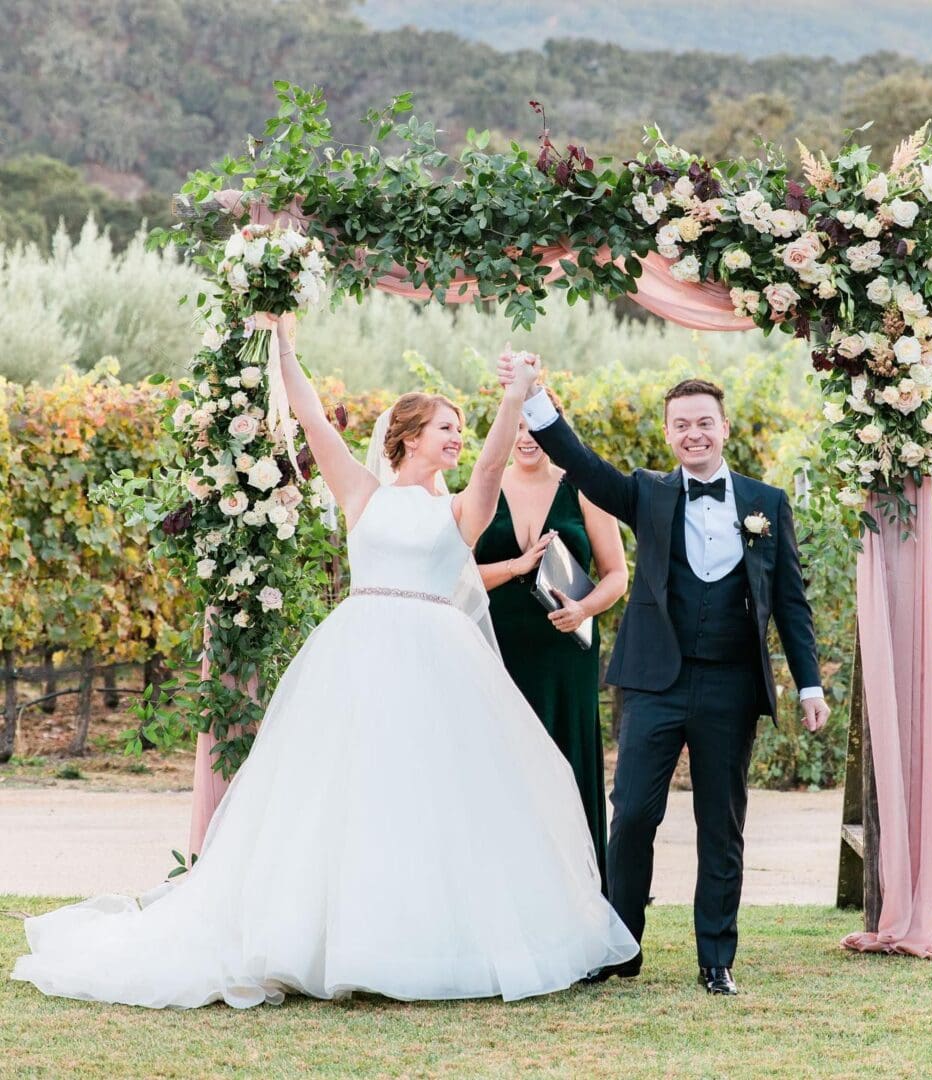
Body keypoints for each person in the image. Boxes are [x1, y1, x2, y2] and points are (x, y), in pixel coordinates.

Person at [12, 323, 638, 1008]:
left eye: (461, 428)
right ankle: (326, 937)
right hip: (358, 657)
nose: (457, 439)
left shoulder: (462, 508)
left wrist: (516, 399)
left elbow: (490, 467)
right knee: (342, 793)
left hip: (438, 666)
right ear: (406, 438)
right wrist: (282, 349)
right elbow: (312, 421)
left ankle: (420, 938)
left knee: (430, 797)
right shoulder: (363, 494)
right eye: (445, 428)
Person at [499, 361, 829, 997]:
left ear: (724, 428)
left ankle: (715, 958)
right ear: (669, 433)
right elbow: (585, 464)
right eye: (682, 425)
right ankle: (621, 947)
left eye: (704, 423)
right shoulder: (647, 492)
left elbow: (791, 602)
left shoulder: (767, 503)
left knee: (722, 821)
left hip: (731, 686)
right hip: (653, 683)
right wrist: (536, 399)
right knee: (633, 817)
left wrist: (809, 684)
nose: (694, 434)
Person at [475, 385, 629, 884]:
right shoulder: (480, 489)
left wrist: (582, 607)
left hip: (565, 649)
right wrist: (514, 565)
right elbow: (455, 571)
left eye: (535, 426)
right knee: (501, 765)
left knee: (565, 760)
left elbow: (616, 574)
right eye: (517, 427)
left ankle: (579, 891)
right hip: (495, 647)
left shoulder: (584, 488)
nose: (527, 437)